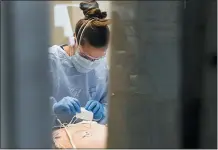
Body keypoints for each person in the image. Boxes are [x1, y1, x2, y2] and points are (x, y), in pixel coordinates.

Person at [49, 0, 111, 125]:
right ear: (74, 41)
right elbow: (28, 106)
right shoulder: (51, 60)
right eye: (86, 56)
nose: (91, 63)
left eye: (96, 59)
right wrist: (53, 108)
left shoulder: (102, 65)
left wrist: (103, 111)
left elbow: (108, 103)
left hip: (88, 135)